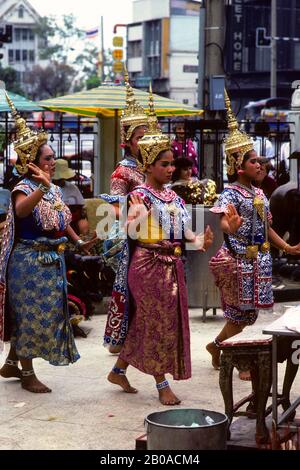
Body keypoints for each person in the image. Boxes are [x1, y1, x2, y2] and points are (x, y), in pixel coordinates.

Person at [104, 89, 213, 405]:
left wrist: (197, 241)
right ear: (148, 166)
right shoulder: (138, 192)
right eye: (164, 164)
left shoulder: (173, 196)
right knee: (158, 323)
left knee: (148, 321)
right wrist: (130, 214)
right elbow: (124, 222)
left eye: (171, 164)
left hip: (173, 266)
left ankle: (119, 369)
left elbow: (182, 228)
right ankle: (161, 383)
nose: (170, 169)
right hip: (148, 265)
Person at [0, 93, 96, 393]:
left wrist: (79, 241)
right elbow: (21, 211)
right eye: (48, 158)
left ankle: (12, 363)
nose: (54, 162)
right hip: (27, 262)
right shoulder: (23, 188)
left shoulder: (51, 188)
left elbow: (61, 219)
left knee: (42, 315)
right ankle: (27, 373)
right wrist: (41, 187)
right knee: (30, 315)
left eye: (54, 157)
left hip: (51, 261)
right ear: (31, 163)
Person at [206, 91, 300, 380]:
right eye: (253, 161)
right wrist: (229, 228)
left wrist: (287, 247)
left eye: (260, 161)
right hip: (236, 261)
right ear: (237, 165)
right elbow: (224, 221)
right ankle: (240, 360)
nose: (260, 165)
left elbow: (267, 226)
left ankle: (217, 345)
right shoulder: (230, 193)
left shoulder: (259, 192)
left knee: (250, 315)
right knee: (239, 314)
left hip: (258, 262)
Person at [52, 159, 89, 236]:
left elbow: (80, 208)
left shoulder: (72, 187)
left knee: (83, 224)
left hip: (72, 219)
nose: (61, 180)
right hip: (53, 219)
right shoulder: (47, 187)